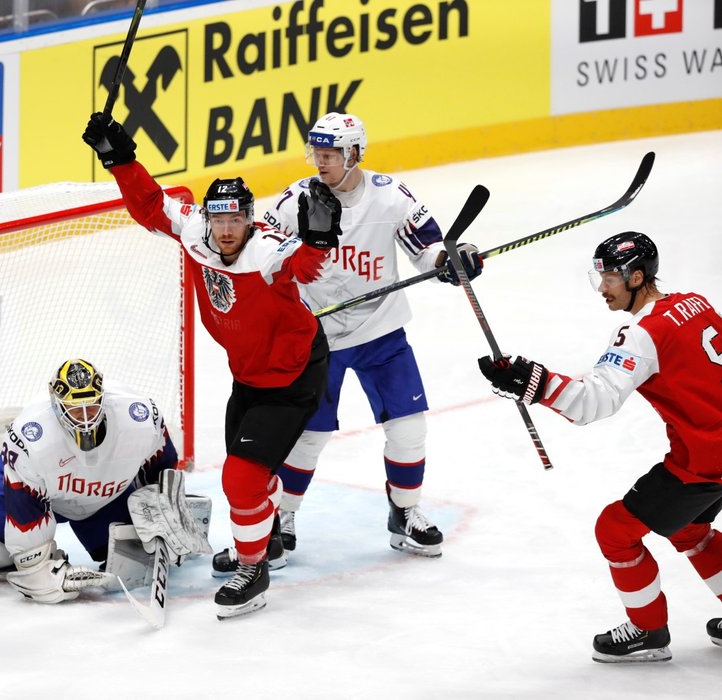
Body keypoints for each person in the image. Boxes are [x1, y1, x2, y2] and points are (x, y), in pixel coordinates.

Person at [82, 111, 339, 619]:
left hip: (292, 375)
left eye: (235, 221)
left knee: (241, 477)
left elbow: (303, 266)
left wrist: (319, 240)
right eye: (218, 220)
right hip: (247, 375)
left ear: (250, 218)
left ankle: (253, 571)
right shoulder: (196, 231)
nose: (225, 231)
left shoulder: (265, 249)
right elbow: (153, 206)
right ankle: (266, 543)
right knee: (250, 476)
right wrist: (120, 160)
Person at [477, 232, 722, 663]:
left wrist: (532, 381)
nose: (602, 289)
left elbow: (595, 403)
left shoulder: (641, 333)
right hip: (714, 451)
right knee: (689, 529)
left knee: (616, 530)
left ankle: (647, 629)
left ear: (637, 276)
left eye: (609, 277)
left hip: (705, 460)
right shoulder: (695, 303)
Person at [260, 112, 483, 559]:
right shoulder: (295, 200)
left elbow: (428, 245)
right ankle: (282, 517)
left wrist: (450, 262)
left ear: (355, 153)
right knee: (310, 436)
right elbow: (262, 244)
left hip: (381, 330)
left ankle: (405, 511)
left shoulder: (389, 196)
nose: (319, 163)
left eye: (329, 155)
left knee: (408, 428)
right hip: (317, 335)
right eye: (316, 154)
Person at [0, 358, 211, 600]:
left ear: (103, 400)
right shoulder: (31, 439)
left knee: (133, 560)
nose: (84, 418)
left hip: (105, 498)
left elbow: (162, 465)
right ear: (57, 407)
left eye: (91, 407)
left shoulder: (139, 416)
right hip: (41, 496)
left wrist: (163, 509)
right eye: (75, 409)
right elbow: (26, 521)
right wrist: (39, 569)